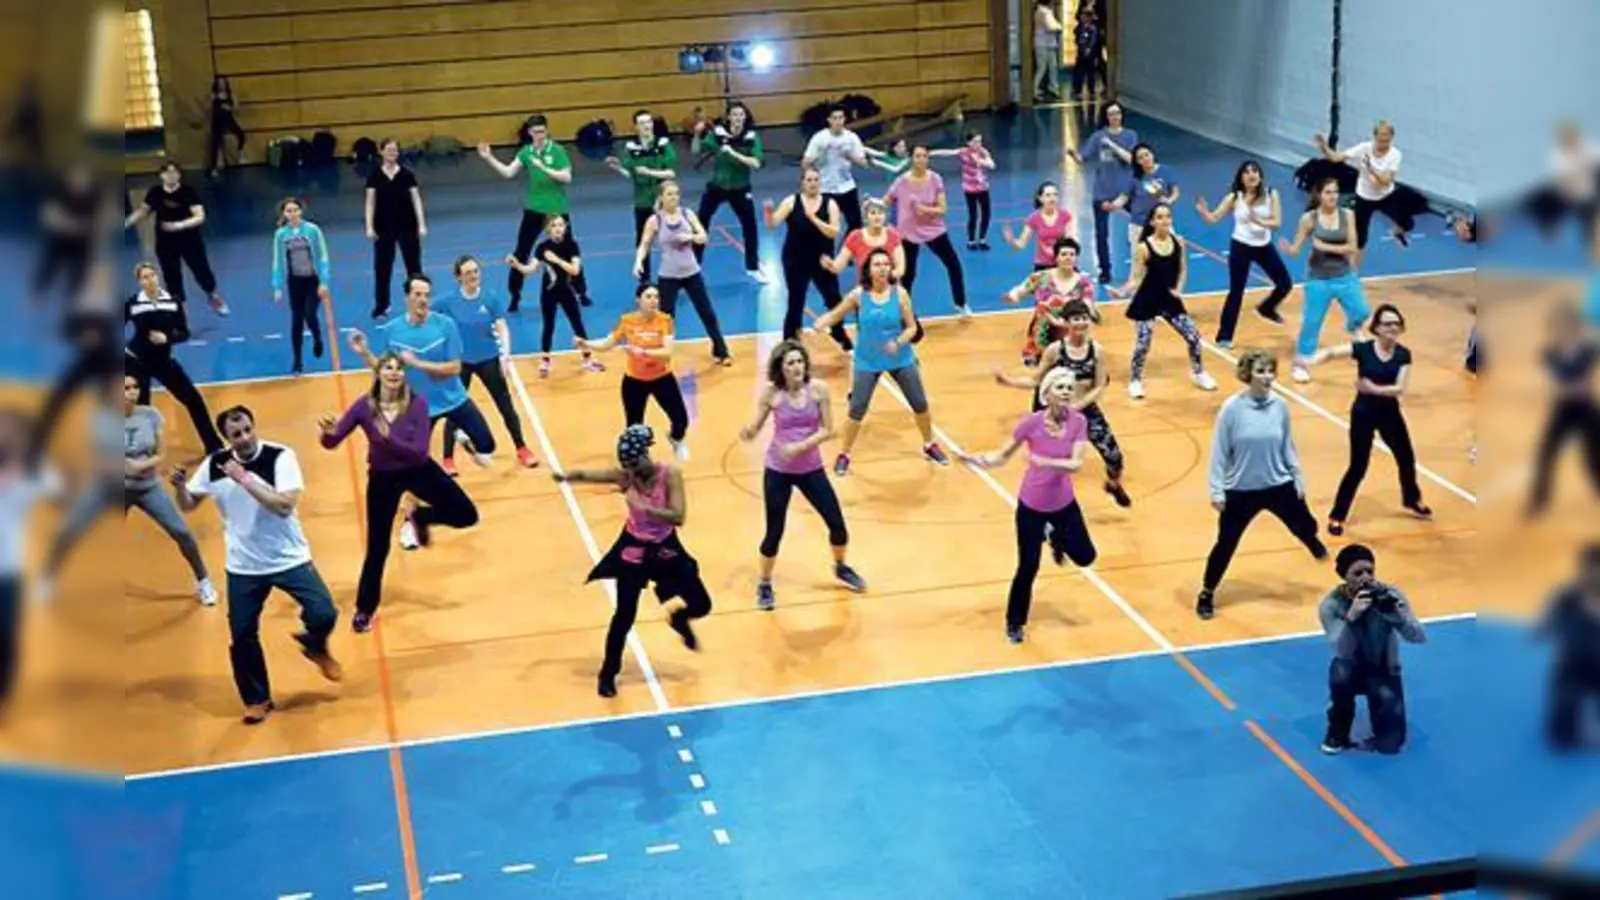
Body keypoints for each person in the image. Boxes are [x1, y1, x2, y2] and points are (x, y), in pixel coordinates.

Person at [171, 406, 342, 725]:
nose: (245, 437)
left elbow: (284, 506)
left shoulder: (280, 457)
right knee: (242, 633)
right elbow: (189, 504)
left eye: (248, 429)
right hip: (244, 565)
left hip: (288, 557)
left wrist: (244, 478)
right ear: (227, 438)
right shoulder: (214, 464)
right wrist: (180, 486)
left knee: (324, 612)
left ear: (254, 425)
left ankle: (315, 644)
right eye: (236, 434)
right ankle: (257, 699)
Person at [319, 352, 479, 633]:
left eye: (399, 368)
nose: (394, 372)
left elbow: (418, 453)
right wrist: (328, 433)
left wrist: (386, 435)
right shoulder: (363, 406)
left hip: (419, 471)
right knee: (377, 547)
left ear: (404, 375)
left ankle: (422, 516)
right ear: (379, 373)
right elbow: (332, 443)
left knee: (466, 514)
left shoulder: (417, 404)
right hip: (382, 478)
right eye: (388, 367)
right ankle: (364, 609)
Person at [554, 425, 712, 699]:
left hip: (665, 547)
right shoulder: (627, 477)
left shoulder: (670, 474)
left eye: (636, 463)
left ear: (646, 453)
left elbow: (678, 516)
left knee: (702, 604)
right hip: (634, 549)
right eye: (628, 466)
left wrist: (645, 509)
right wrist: (568, 476)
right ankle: (607, 672)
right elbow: (590, 474)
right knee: (624, 616)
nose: (634, 471)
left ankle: (680, 618)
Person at [959, 366, 1098, 644]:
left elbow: (1076, 464)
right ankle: (1014, 621)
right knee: (1027, 567)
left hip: (1064, 504)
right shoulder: (1030, 423)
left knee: (1086, 557)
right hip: (1032, 506)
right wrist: (977, 460)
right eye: (1060, 387)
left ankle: (1055, 536)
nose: (1067, 392)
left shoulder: (1078, 422)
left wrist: (1047, 463)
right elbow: (1001, 456)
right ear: (1045, 395)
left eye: (1070, 388)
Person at [1199, 349, 1328, 620]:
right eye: (1261, 371)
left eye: (1270, 371)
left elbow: (1286, 445)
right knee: (1226, 544)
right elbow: (1219, 452)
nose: (1267, 377)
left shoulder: (1280, 406)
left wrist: (1298, 477)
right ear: (1248, 374)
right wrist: (1216, 490)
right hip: (1241, 490)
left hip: (1278, 483)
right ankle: (1207, 592)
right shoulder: (1232, 409)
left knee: (1306, 526)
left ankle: (1311, 541)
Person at [739, 340, 866, 610]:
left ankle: (841, 566)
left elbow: (829, 429)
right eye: (790, 363)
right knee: (774, 531)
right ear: (781, 369)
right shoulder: (772, 394)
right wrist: (748, 432)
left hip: (810, 468)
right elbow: (756, 425)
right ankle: (764, 583)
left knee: (837, 524)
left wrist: (800, 446)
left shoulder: (818, 390)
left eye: (800, 361)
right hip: (778, 470)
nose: (797, 367)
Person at [810, 248, 951, 474]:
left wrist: (898, 342)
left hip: (900, 358)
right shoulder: (858, 295)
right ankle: (844, 453)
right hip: (867, 361)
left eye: (886, 264)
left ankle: (929, 444)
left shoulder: (900, 294)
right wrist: (822, 321)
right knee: (856, 409)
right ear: (868, 270)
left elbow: (912, 328)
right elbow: (837, 313)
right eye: (877, 264)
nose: (883, 268)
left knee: (919, 403)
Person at [348, 274, 496, 469]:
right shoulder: (392, 330)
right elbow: (385, 372)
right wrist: (365, 353)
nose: (423, 300)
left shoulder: (446, 325)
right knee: (414, 461)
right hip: (419, 406)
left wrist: (418, 364)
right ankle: (413, 497)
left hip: (454, 399)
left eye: (427, 295)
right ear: (407, 298)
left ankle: (463, 438)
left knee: (487, 446)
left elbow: (455, 368)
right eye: (417, 294)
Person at [1309, 304, 1431, 534]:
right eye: (1387, 324)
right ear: (1376, 328)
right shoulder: (1364, 349)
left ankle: (1411, 499)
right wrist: (1318, 356)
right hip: (1363, 414)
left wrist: (1373, 389)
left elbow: (1399, 388)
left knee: (1406, 457)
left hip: (1390, 414)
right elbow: (1335, 352)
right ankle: (1337, 516)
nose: (1392, 327)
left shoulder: (1403, 354)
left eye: (1396, 323)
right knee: (1358, 466)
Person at [994, 299, 1130, 507]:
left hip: (1083, 407)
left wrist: (1078, 406)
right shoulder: (1055, 351)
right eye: (1076, 319)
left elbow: (1099, 385)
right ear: (1066, 323)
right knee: (1049, 461)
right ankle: (1043, 500)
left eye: (1084, 318)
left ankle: (1113, 484)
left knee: (1114, 456)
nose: (1081, 323)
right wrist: (1008, 381)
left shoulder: (1097, 351)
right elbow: (1035, 380)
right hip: (1054, 413)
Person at [1317, 544, 1427, 755]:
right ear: (1344, 575)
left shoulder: (1390, 595)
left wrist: (1397, 617)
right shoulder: (1331, 605)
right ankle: (1338, 728)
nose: (1366, 577)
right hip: (1351, 667)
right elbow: (1341, 649)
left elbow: (1419, 637)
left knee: (1390, 745)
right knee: (1340, 671)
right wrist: (1351, 617)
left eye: (1370, 571)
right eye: (1357, 573)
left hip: (1383, 668)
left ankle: (1385, 724)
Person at [433, 256, 540, 472]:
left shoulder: (490, 298)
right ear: (458, 277)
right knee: (455, 409)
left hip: (489, 360)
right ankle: (447, 459)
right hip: (461, 362)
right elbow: (428, 318)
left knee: (506, 406)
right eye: (468, 272)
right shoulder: (447, 302)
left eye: (475, 271)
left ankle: (521, 448)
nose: (473, 275)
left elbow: (502, 328)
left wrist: (506, 356)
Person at [120, 374, 215, 604]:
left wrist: (137, 465)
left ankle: (203, 580)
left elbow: (161, 455)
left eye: (135, 386)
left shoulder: (151, 416)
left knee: (181, 532)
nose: (132, 391)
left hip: (148, 488)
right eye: (126, 387)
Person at [477, 114, 583, 312]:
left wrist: (545, 168)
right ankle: (515, 295)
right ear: (529, 133)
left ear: (547, 131)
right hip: (534, 209)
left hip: (557, 210)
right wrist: (489, 158)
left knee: (569, 250)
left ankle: (580, 292)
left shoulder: (558, 150)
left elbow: (567, 177)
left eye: (543, 131)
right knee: (521, 251)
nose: (540, 135)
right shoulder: (526, 152)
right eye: (536, 132)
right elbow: (508, 173)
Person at [1112, 204, 1216, 399]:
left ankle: (1199, 372)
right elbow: (1135, 278)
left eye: (1168, 216)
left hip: (1169, 299)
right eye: (1160, 217)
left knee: (1193, 336)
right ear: (1152, 222)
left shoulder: (1179, 242)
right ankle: (1135, 380)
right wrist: (1122, 292)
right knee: (1143, 343)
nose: (1165, 221)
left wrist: (1179, 289)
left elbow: (1183, 269)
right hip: (1147, 299)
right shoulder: (1144, 247)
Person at [578, 283, 691, 461]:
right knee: (634, 428)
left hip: (662, 378)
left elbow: (668, 351)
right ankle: (640, 462)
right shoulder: (627, 321)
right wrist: (586, 344)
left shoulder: (665, 320)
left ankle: (675, 439)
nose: (654, 301)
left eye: (656, 297)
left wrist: (643, 352)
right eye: (648, 296)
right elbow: (607, 344)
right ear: (638, 299)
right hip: (634, 382)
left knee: (681, 420)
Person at [124, 261, 223, 455]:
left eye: (152, 275)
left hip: (163, 362)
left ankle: (214, 445)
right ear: (139, 282)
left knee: (193, 399)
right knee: (142, 409)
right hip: (137, 362)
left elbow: (184, 333)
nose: (150, 280)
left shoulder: (172, 302)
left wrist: (166, 338)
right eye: (145, 277)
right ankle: (141, 451)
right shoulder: (133, 303)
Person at [1280, 178, 1370, 384]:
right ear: (1319, 195)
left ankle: (1353, 327)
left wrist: (1324, 246)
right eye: (1328, 192)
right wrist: (1289, 249)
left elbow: (1352, 248)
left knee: (1362, 312)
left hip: (1344, 275)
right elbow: (1296, 249)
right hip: (1318, 280)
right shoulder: (1309, 219)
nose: (1333, 196)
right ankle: (1300, 364)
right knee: (1312, 323)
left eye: (1335, 192)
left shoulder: (1347, 215)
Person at [1194, 160, 1294, 346]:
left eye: (1254, 171)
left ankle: (1267, 307)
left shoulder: (1272, 194)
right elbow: (1214, 218)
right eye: (1246, 172)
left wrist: (1258, 221)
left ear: (1260, 175)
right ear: (1241, 177)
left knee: (1285, 284)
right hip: (1241, 247)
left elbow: (1277, 222)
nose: (1251, 175)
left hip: (1264, 246)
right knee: (1236, 292)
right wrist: (1203, 212)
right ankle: (1224, 336)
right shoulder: (1234, 198)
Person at [635, 180, 732, 366]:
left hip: (691, 273)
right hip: (668, 276)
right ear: (661, 197)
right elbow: (644, 244)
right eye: (670, 194)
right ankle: (660, 356)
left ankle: (721, 351)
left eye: (676, 194)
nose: (674, 198)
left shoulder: (687, 214)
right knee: (665, 319)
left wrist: (691, 237)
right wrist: (638, 261)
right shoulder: (655, 220)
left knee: (707, 313)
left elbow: (704, 237)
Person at [124, 161, 229, 317]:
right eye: (167, 172)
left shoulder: (188, 192)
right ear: (162, 175)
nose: (171, 175)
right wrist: (125, 223)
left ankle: (212, 296)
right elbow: (143, 211)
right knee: (171, 274)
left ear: (179, 175)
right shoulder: (155, 192)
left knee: (201, 270)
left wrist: (180, 225)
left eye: (174, 172)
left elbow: (199, 216)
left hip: (189, 240)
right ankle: (178, 309)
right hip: (165, 242)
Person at [504, 215, 601, 378]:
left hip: (566, 291)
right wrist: (517, 265)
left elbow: (575, 270)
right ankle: (545, 361)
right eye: (554, 225)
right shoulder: (542, 247)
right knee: (548, 326)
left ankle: (587, 359)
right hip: (548, 293)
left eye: (561, 225)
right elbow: (530, 269)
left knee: (577, 324)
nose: (558, 228)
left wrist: (556, 260)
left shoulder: (572, 245)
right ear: (548, 229)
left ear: (565, 227)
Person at [1527, 302, 1600, 516]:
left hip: (1586, 410)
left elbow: (1582, 386)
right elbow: (1557, 387)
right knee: (1546, 453)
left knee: (1593, 456)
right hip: (1562, 411)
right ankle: (1540, 499)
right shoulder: (1549, 353)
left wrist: (1568, 388)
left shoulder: (1589, 351)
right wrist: (1571, 388)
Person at [765, 168, 850, 346]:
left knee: (833, 298)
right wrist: (768, 212)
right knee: (796, 300)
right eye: (809, 180)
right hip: (795, 259)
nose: (813, 183)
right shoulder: (791, 201)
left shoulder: (830, 203)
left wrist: (814, 219)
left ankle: (838, 331)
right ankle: (790, 338)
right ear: (802, 183)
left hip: (822, 260)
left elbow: (834, 232)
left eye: (816, 180)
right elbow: (772, 224)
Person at [887, 145, 970, 318]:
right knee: (908, 273)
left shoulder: (935, 179)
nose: (921, 159)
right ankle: (905, 311)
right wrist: (873, 207)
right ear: (912, 158)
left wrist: (925, 210)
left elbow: (943, 209)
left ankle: (961, 303)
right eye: (918, 156)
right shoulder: (901, 181)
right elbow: (885, 201)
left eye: (925, 156)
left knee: (953, 264)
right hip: (908, 232)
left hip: (933, 229)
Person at [1313, 120, 1413, 258]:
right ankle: (1353, 274)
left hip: (1386, 196)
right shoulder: (1363, 148)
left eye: (1387, 141)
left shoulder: (1395, 155)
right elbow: (1336, 158)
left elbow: (1384, 182)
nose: (1383, 145)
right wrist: (1324, 147)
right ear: (1375, 137)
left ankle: (1397, 232)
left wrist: (1370, 168)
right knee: (1360, 239)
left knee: (1408, 223)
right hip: (1364, 197)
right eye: (1380, 140)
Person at [692, 100, 765, 281]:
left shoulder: (751, 137)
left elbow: (755, 163)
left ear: (745, 117)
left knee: (750, 227)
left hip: (740, 188)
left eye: (741, 115)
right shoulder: (718, 134)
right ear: (729, 117)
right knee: (701, 223)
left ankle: (753, 268)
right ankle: (693, 266)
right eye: (734, 115)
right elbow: (695, 150)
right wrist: (696, 133)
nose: (737, 118)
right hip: (718, 186)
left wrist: (732, 152)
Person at [1066, 102, 1138, 283]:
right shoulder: (1098, 137)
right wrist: (1074, 156)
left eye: (1118, 113)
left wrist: (1112, 146)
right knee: (1101, 233)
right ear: (1106, 117)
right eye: (1111, 114)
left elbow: (1131, 159)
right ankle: (1105, 270)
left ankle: (1144, 264)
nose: (1115, 116)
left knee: (1142, 224)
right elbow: (1084, 158)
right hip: (1102, 191)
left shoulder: (1130, 135)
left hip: (1125, 190)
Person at [1539, 544, 1600, 750]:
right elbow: (1545, 627)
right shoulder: (1566, 596)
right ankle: (1567, 727)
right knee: (1561, 734)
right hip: (1573, 664)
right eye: (1591, 570)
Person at [1002, 236, 1097, 366]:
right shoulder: (1041, 277)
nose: (1068, 257)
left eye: (1072, 254)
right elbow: (1021, 289)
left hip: (1071, 332)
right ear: (1056, 257)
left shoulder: (1084, 282)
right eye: (1064, 254)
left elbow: (1088, 304)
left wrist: (1090, 315)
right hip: (1042, 332)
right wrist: (1013, 296)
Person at [606, 110, 678, 281]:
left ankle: (677, 276)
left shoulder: (663, 144)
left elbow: (670, 173)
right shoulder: (631, 148)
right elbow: (634, 175)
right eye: (642, 123)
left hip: (663, 202)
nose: (646, 125)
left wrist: (649, 172)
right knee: (643, 241)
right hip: (642, 202)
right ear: (636, 127)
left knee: (672, 240)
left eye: (649, 122)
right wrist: (619, 169)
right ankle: (644, 280)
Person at [364, 138, 427, 319]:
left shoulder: (407, 175)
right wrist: (369, 226)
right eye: (389, 150)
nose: (393, 153)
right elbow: (370, 203)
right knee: (382, 268)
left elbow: (416, 200)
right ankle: (381, 305)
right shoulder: (374, 176)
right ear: (382, 152)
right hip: (383, 228)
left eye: (395, 150)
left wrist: (421, 224)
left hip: (407, 226)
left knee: (414, 268)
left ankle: (418, 303)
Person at [269, 197, 330, 374]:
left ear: (301, 211)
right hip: (295, 283)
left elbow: (323, 256)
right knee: (296, 322)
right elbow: (278, 261)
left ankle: (317, 338)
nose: (293, 214)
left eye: (295, 210)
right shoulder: (281, 235)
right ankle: (297, 360)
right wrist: (277, 286)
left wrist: (324, 282)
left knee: (310, 315)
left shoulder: (312, 230)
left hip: (313, 280)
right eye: (289, 211)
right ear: (284, 214)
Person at [802, 105, 868, 233]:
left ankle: (845, 251)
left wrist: (850, 155)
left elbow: (864, 164)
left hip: (847, 187)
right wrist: (820, 153)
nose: (838, 121)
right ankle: (826, 252)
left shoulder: (851, 137)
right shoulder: (819, 138)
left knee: (856, 226)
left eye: (841, 118)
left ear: (844, 119)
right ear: (829, 120)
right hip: (825, 189)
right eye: (835, 118)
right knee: (825, 227)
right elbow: (805, 164)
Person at [207, 75, 246, 175]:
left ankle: (240, 153)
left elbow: (237, 109)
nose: (221, 85)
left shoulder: (231, 95)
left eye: (223, 83)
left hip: (228, 120)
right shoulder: (213, 95)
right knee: (215, 144)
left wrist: (229, 108)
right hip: (217, 121)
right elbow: (209, 109)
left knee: (241, 134)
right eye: (219, 83)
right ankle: (213, 167)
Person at [1032, 0, 1064, 102]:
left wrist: (1058, 27)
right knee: (1042, 68)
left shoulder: (1046, 11)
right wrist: (1059, 27)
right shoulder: (1043, 12)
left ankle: (1053, 88)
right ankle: (1035, 91)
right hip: (1042, 44)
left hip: (1049, 43)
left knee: (1052, 67)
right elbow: (1051, 26)